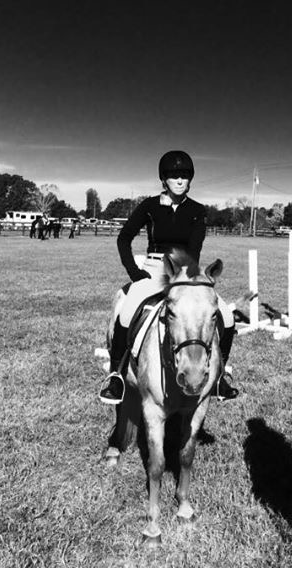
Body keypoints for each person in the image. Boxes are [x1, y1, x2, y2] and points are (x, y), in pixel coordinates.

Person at [99, 150, 239, 405]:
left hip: (185, 272)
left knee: (226, 316)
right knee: (127, 311)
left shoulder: (197, 210)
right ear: (164, 179)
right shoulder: (149, 206)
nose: (180, 180)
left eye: (184, 176)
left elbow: (194, 250)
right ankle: (116, 375)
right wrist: (134, 272)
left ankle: (220, 377)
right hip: (154, 269)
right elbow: (124, 238)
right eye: (174, 176)